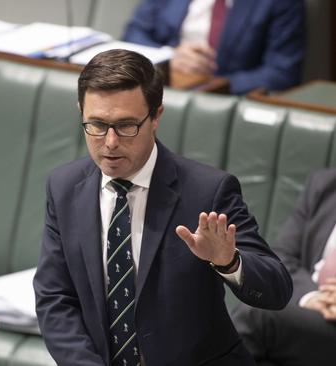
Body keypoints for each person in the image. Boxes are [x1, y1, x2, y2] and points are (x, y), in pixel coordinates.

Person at [33, 49, 292, 366]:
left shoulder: (207, 191)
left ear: (156, 117)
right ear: (80, 112)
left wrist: (228, 262)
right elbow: (55, 298)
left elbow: (278, 289)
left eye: (127, 125)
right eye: (97, 124)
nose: (110, 142)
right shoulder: (63, 188)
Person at [231, 169, 336, 366]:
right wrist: (313, 297)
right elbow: (283, 257)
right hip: (308, 312)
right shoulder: (324, 184)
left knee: (256, 316)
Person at [122, 0, 305, 94]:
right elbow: (133, 35)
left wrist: (214, 86)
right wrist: (168, 58)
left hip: (226, 99)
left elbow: (282, 73)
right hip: (161, 86)